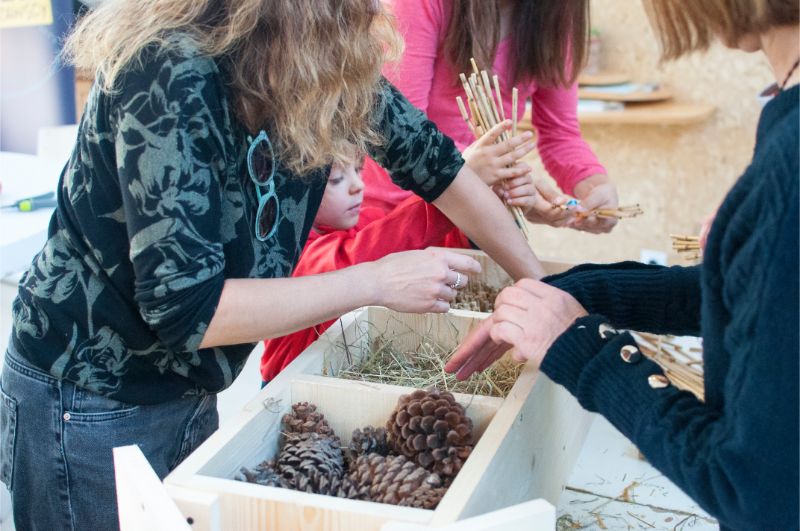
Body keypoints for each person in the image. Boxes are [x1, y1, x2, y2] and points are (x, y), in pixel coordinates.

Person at [0, 1, 546, 529]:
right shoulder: (166, 68)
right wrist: (376, 280)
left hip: (188, 383)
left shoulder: (310, 59)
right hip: (90, 396)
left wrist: (543, 288)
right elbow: (189, 310)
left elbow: (434, 164)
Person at [445, 0, 799, 529]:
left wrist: (582, 348)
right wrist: (579, 294)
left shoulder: (788, 172)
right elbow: (748, 297)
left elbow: (753, 488)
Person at [261, 124, 539, 383]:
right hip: (290, 384)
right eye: (335, 180)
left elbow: (426, 242)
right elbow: (364, 253)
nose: (358, 185)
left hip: (344, 373)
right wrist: (457, 188)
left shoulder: (366, 219)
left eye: (358, 170)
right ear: (292, 192)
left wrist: (485, 202)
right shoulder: (291, 253)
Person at [363, 0, 619, 233]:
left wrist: (594, 185)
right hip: (398, 215)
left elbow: (560, 133)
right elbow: (401, 136)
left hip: (481, 218)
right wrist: (509, 181)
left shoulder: (557, 16)